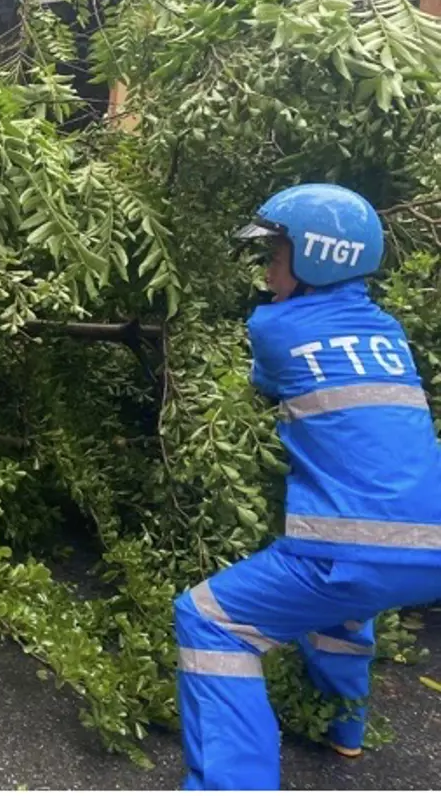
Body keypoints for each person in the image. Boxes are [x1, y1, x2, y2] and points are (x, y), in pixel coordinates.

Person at [174, 183, 441, 789]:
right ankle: (343, 728)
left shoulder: (274, 327)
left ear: (320, 255)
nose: (267, 271)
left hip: (346, 549)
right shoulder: (389, 330)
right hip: (431, 544)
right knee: (346, 603)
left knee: (208, 619)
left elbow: (265, 388)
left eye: (275, 255)